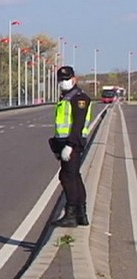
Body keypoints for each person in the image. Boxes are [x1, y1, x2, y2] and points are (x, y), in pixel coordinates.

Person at [50, 66, 92, 227]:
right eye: (60, 80)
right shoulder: (66, 97)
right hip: (65, 144)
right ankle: (81, 214)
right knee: (74, 176)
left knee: (67, 177)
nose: (63, 82)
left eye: (66, 79)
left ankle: (71, 214)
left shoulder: (78, 98)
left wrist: (69, 145)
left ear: (74, 79)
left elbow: (77, 125)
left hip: (72, 144)